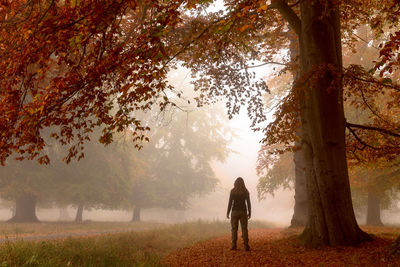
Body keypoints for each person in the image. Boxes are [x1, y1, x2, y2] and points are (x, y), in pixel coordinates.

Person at [226, 177, 251, 251]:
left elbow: (230, 203)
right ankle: (246, 245)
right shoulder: (246, 191)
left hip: (234, 212)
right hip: (243, 211)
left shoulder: (233, 191)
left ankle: (234, 245)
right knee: (244, 229)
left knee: (234, 229)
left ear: (235, 183)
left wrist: (227, 212)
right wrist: (249, 212)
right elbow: (248, 203)